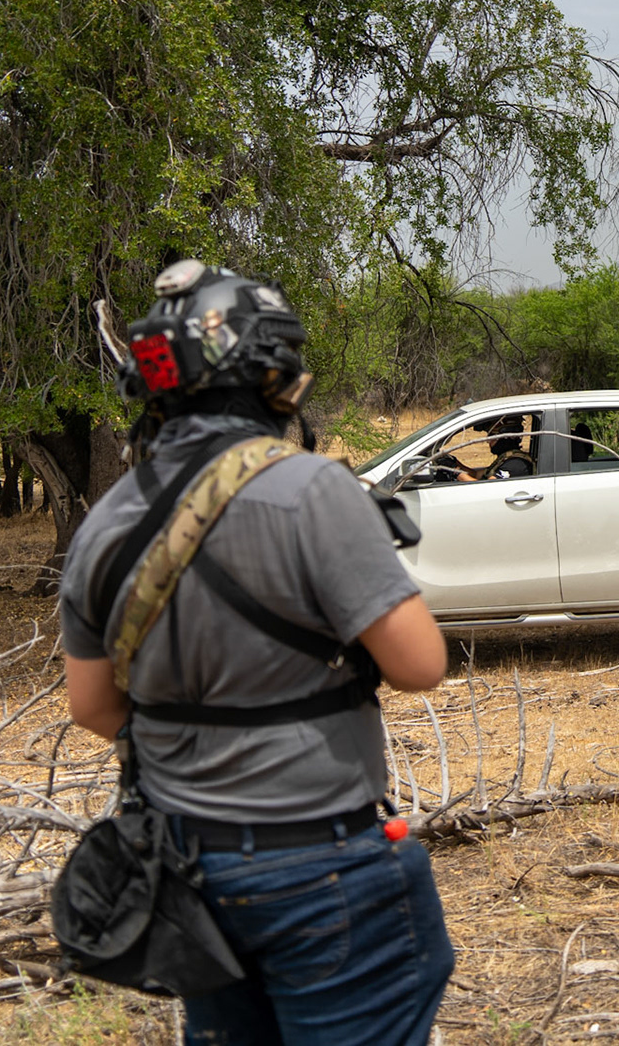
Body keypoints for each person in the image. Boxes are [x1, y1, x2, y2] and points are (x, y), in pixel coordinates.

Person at [59, 260, 454, 1046]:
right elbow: (421, 666)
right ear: (268, 374)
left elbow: (93, 706)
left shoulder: (104, 522)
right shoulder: (313, 490)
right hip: (322, 864)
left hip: (189, 877)